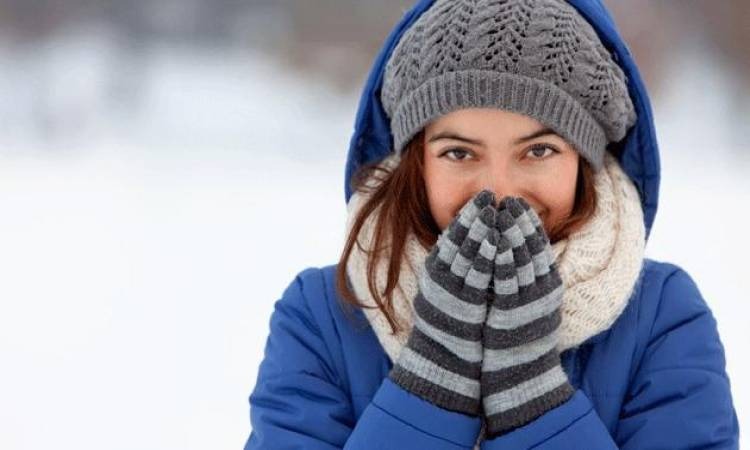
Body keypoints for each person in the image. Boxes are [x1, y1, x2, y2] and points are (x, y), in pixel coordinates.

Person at [244, 0, 740, 448]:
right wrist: (431, 388)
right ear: (417, 163)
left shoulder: (661, 318)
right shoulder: (322, 317)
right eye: (459, 153)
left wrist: (536, 405)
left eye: (538, 150)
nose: (499, 192)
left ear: (584, 161)